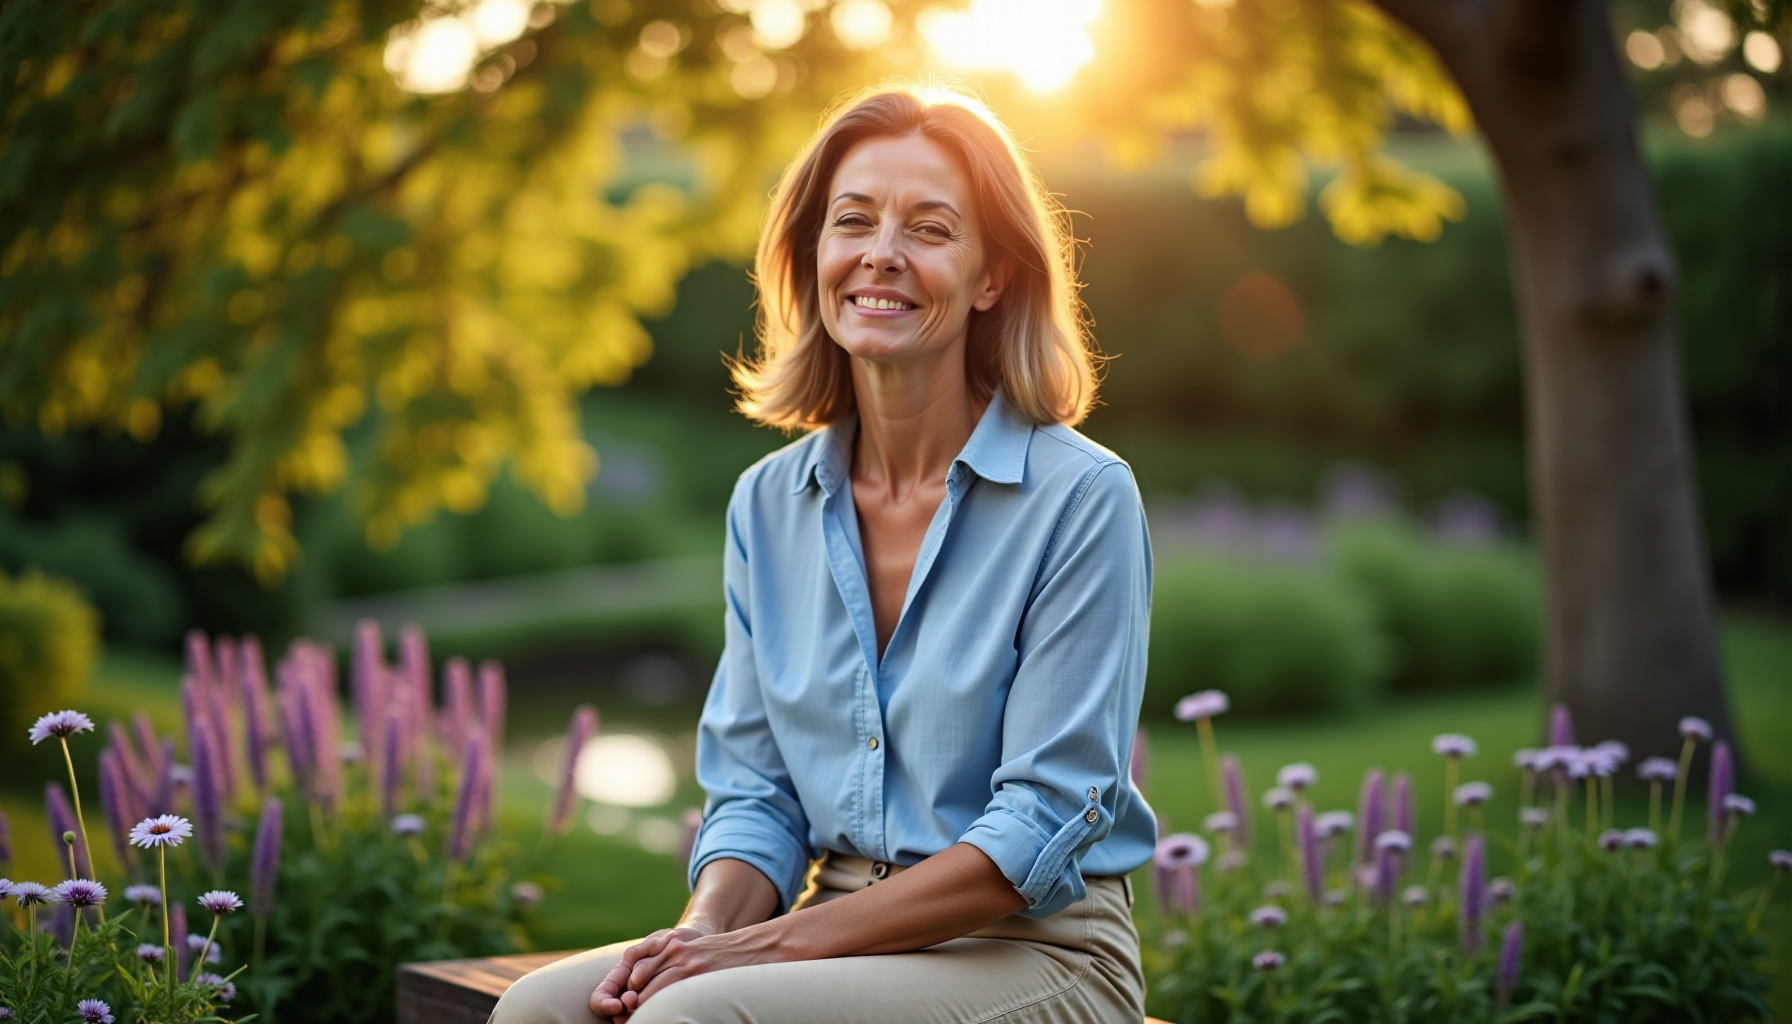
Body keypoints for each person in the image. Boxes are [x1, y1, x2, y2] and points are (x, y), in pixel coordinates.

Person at [491, 81, 1157, 1024]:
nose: (881, 255)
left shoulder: (1082, 499)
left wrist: (755, 954)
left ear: (993, 275)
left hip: (1036, 947)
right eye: (854, 221)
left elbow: (1042, 825)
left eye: (930, 229)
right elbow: (754, 792)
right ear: (814, 254)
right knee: (537, 1010)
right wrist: (700, 936)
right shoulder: (770, 503)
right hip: (834, 932)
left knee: (692, 1021)